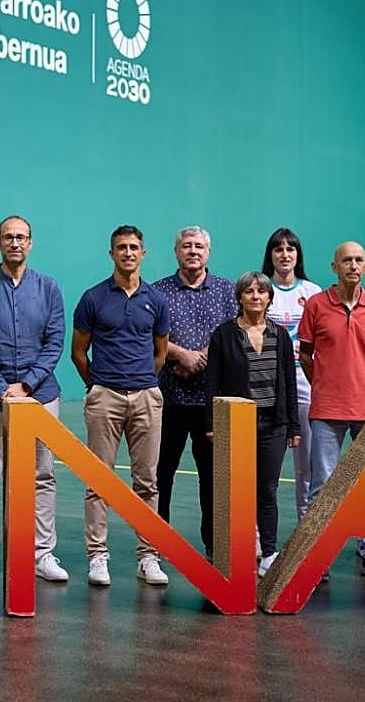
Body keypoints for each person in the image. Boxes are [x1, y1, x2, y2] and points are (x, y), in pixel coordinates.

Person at [0, 215, 68, 581]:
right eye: (8, 237)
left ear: (31, 243)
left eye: (21, 237)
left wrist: (25, 386)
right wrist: (1, 388)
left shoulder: (50, 288)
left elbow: (55, 342)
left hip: (41, 396)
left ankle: (42, 553)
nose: (15, 243)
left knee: (42, 476)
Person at [71, 225, 170, 587]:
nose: (128, 253)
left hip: (146, 397)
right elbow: (78, 352)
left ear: (143, 253)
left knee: (147, 481)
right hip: (104, 398)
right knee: (98, 480)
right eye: (121, 248)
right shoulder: (93, 298)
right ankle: (98, 557)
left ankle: (148, 557)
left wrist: (140, 381)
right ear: (111, 254)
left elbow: (160, 353)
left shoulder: (156, 300)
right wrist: (98, 386)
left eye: (134, 247)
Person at [298, 241, 365, 582]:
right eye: (346, 261)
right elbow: (306, 356)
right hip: (326, 408)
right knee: (322, 485)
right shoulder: (315, 305)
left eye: (358, 261)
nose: (353, 266)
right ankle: (314, 555)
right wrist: (326, 384)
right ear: (334, 266)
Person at [205, 272, 301, 577]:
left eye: (261, 291)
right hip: (237, 423)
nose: (255, 296)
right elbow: (213, 382)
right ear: (240, 298)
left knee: (267, 491)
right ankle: (242, 549)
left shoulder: (281, 335)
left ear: (270, 298)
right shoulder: (224, 334)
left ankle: (269, 552)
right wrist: (213, 423)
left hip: (274, 424)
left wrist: (293, 426)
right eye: (249, 291)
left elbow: (289, 380)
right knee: (238, 491)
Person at [151, 226, 236, 559]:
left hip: (211, 403)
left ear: (208, 252)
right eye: (186, 246)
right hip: (168, 398)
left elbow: (233, 334)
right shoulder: (157, 292)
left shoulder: (228, 291)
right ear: (176, 252)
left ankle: (215, 546)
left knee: (213, 480)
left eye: (199, 246)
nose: (193, 251)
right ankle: (155, 546)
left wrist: (200, 358)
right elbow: (150, 337)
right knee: (161, 475)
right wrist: (180, 355)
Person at [262, 228, 321, 519]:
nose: (284, 255)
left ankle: (306, 532)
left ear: (298, 255)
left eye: (290, 249)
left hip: (306, 389)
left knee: (308, 468)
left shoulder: (313, 293)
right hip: (268, 391)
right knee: (262, 468)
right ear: (270, 255)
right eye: (278, 249)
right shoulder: (260, 290)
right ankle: (257, 534)